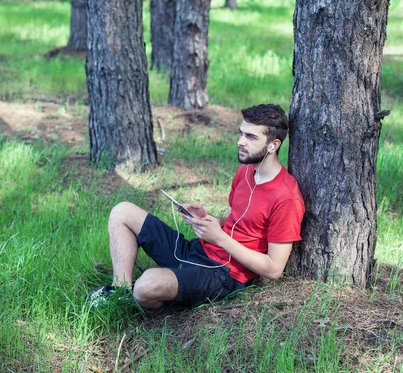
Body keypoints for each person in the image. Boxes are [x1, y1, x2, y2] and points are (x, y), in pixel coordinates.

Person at [88, 104, 305, 309]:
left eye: (250, 137)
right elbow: (234, 219)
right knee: (122, 211)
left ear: (273, 145)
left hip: (223, 275)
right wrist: (205, 219)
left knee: (147, 284)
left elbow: (274, 268)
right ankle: (120, 292)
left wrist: (218, 237)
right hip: (198, 250)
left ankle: (143, 293)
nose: (240, 141)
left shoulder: (286, 197)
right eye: (240, 133)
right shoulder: (246, 171)